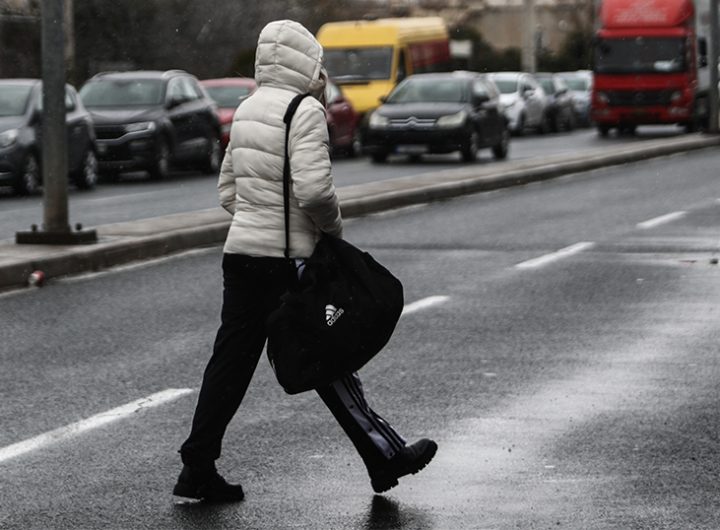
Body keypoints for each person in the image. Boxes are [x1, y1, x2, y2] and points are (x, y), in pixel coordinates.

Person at [173, 19, 437, 502]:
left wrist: (259, 215)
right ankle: (385, 454)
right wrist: (330, 231)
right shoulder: (304, 111)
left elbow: (227, 191)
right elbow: (315, 192)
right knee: (327, 355)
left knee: (229, 364)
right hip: (286, 260)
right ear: (306, 60)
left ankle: (197, 467)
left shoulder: (248, 109)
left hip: (241, 256)